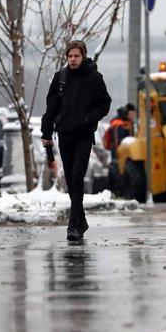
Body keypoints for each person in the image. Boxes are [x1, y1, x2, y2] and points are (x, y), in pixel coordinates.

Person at [41, 40, 112, 241]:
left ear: (83, 56)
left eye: (76, 56)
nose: (72, 59)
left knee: (77, 177)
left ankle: (73, 226)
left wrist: (89, 118)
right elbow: (51, 106)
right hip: (64, 134)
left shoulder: (95, 78)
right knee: (71, 179)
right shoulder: (60, 78)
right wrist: (46, 133)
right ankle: (80, 219)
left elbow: (104, 104)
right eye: (70, 56)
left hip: (83, 135)